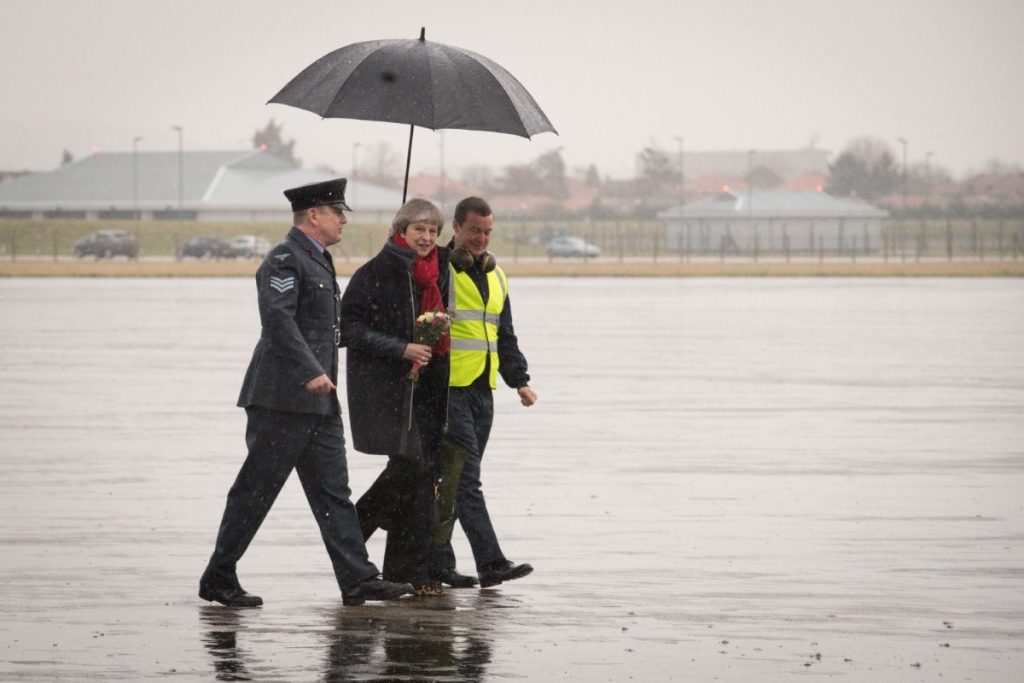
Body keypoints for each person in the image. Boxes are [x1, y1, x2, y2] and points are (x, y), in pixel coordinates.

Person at [199, 178, 413, 608]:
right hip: (283, 398)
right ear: (313, 215)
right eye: (338, 212)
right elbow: (278, 321)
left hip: (320, 401)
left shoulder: (319, 260)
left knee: (334, 492)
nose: (344, 220)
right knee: (256, 490)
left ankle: (358, 578)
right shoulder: (284, 259)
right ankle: (218, 575)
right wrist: (309, 371)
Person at [340, 199, 451, 595]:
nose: (426, 237)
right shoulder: (375, 273)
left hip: (428, 390)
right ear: (400, 230)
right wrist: (400, 348)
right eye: (418, 229)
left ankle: (407, 573)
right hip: (386, 391)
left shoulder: (437, 273)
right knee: (411, 469)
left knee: (419, 477)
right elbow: (348, 329)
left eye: (433, 231)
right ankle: (350, 535)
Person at [431, 196, 536, 589]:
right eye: (474, 230)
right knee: (464, 479)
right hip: (449, 389)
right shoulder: (439, 269)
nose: (481, 239)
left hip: (482, 392)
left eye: (488, 232)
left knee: (453, 480)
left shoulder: (497, 275)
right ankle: (491, 562)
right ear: (455, 227)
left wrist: (520, 380)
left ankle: (439, 563)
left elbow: (504, 334)